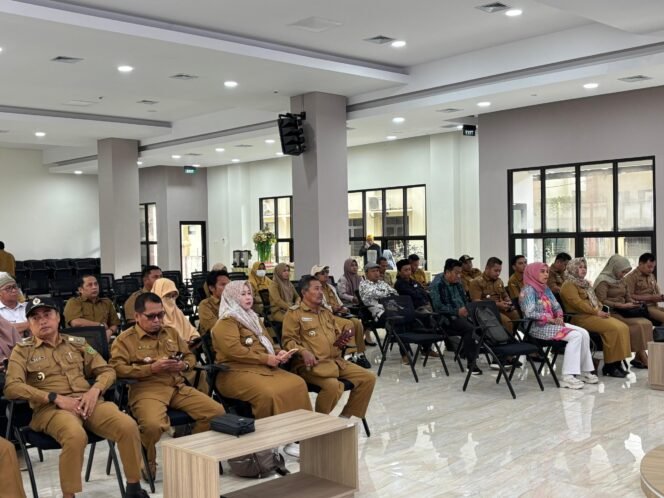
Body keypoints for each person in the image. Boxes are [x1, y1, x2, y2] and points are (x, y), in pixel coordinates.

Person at [5, 297, 149, 498]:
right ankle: (69, 495)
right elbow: (12, 387)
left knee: (127, 425)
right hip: (51, 410)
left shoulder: (79, 344)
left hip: (89, 402)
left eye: (47, 315)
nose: (42, 321)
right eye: (35, 318)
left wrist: (94, 391)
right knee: (75, 435)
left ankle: (133, 488)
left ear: (58, 318)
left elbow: (106, 370)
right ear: (29, 324)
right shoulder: (22, 351)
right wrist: (55, 398)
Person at [109, 293, 225, 480]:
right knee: (153, 426)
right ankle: (147, 459)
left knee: (216, 411)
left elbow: (189, 356)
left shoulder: (170, 332)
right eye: (151, 316)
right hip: (146, 389)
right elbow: (117, 369)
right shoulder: (124, 340)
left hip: (176, 386)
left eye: (160, 315)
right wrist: (151, 368)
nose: (157, 320)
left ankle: (190, 451)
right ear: (137, 316)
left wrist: (184, 365)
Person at [211, 280, 311, 419]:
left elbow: (267, 341)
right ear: (232, 296)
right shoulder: (227, 321)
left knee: (298, 383)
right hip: (234, 372)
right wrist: (266, 358)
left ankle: (297, 430)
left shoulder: (253, 317)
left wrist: (277, 352)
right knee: (270, 393)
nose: (248, 297)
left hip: (262, 368)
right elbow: (234, 351)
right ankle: (271, 434)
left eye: (249, 293)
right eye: (242, 294)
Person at [282, 276, 376, 420]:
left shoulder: (325, 312)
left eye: (321, 289)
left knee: (368, 378)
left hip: (335, 361)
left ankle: (346, 416)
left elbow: (337, 333)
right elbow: (288, 341)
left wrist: (343, 338)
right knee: (333, 386)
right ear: (304, 292)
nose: (321, 292)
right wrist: (303, 351)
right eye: (316, 289)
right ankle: (320, 422)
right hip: (310, 365)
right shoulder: (294, 314)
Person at [519, 262, 598, 389]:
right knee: (575, 336)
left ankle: (584, 371)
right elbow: (529, 312)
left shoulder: (545, 288)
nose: (546, 274)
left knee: (583, 333)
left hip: (551, 324)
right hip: (536, 328)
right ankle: (567, 377)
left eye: (547, 271)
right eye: (542, 271)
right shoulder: (528, 290)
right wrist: (548, 318)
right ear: (533, 273)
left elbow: (556, 306)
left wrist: (559, 317)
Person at [560, 257, 631, 378]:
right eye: (580, 267)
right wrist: (596, 312)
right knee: (614, 328)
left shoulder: (585, 284)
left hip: (593, 315)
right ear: (572, 268)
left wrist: (602, 309)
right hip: (580, 318)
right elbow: (578, 304)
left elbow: (596, 301)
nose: (583, 270)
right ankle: (610, 366)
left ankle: (617, 363)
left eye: (585, 267)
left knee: (623, 327)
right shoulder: (568, 285)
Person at [594, 255, 653, 369]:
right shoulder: (603, 281)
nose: (623, 275)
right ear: (615, 268)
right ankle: (642, 355)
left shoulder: (621, 280)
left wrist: (633, 303)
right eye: (622, 272)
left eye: (626, 272)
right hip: (611, 312)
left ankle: (639, 356)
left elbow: (627, 296)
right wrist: (619, 305)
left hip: (625, 310)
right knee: (637, 325)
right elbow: (601, 301)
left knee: (646, 323)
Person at [311, 265, 372, 367]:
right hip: (325, 316)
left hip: (338, 313)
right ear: (315, 276)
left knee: (357, 322)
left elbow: (339, 301)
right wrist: (333, 309)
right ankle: (349, 355)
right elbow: (321, 305)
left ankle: (360, 354)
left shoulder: (330, 287)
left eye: (327, 272)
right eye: (323, 273)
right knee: (349, 324)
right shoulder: (315, 289)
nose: (326, 274)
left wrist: (343, 307)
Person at [430, 259, 481, 375]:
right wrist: (457, 312)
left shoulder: (458, 283)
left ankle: (498, 357)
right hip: (445, 319)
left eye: (460, 273)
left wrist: (467, 309)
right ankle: (471, 363)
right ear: (447, 272)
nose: (459, 276)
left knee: (484, 324)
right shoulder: (437, 285)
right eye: (456, 273)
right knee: (469, 329)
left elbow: (464, 300)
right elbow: (438, 308)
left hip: (462, 315)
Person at [469, 257, 519, 333]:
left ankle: (511, 337)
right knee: (507, 322)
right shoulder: (476, 282)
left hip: (501, 308)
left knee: (517, 317)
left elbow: (505, 295)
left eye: (500, 271)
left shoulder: (499, 281)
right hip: (486, 311)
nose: (498, 273)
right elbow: (476, 302)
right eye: (495, 271)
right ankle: (507, 343)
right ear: (487, 268)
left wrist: (508, 302)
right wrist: (498, 305)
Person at [64, 275, 120, 340]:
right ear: (80, 290)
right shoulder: (74, 302)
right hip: (81, 341)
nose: (94, 287)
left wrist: (110, 331)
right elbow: (76, 323)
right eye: (90, 285)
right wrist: (100, 325)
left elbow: (115, 324)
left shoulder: (107, 302)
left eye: (96, 284)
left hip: (104, 339)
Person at [152, 277, 199, 342]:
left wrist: (194, 338)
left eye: (173, 296)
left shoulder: (177, 312)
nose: (171, 300)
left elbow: (192, 331)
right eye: (167, 296)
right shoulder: (152, 317)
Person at [624, 252, 664, 324]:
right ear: (640, 264)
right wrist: (650, 298)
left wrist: (661, 297)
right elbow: (629, 296)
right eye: (649, 267)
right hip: (643, 308)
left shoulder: (651, 276)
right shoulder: (631, 277)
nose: (651, 269)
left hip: (655, 306)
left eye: (653, 267)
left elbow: (657, 292)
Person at [197, 270, 230, 335]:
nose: (228, 288)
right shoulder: (205, 305)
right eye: (223, 285)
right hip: (215, 341)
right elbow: (216, 328)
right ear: (212, 288)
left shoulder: (232, 302)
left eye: (228, 284)